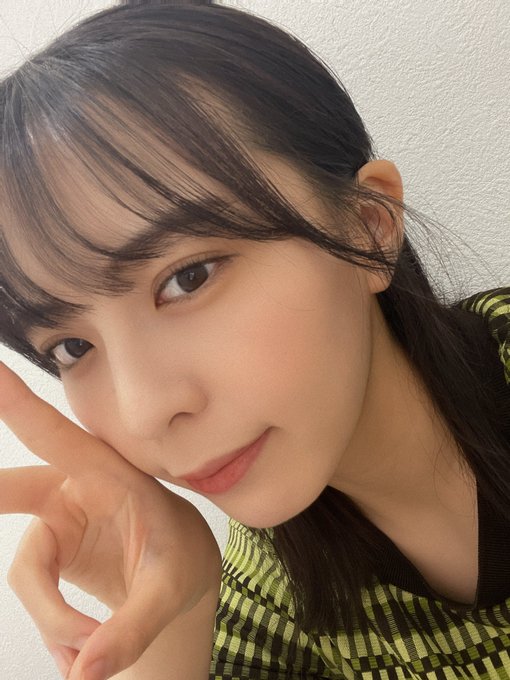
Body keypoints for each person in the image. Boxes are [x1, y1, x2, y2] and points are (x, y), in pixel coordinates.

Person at [0, 1, 509, 679]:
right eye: (72, 348)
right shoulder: (274, 593)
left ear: (368, 226)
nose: (145, 412)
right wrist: (167, 624)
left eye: (188, 278)